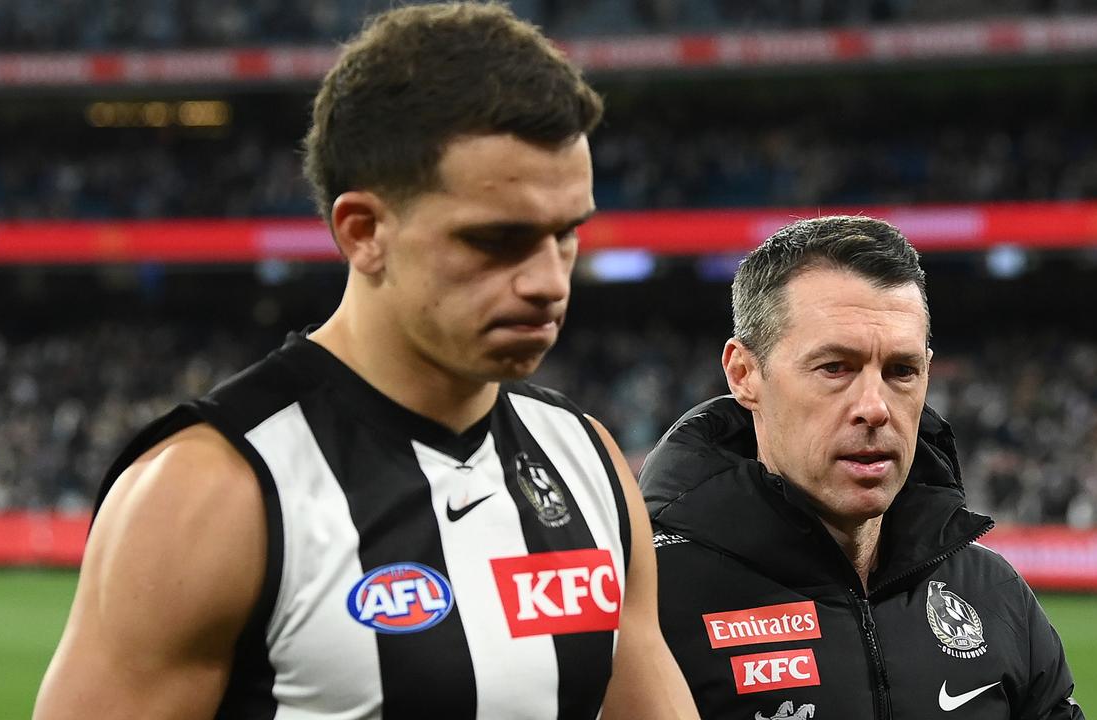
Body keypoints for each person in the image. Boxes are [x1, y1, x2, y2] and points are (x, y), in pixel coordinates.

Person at [34, 4, 697, 719]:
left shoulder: (587, 462)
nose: (548, 280)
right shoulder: (210, 491)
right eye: (496, 240)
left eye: (566, 234)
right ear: (364, 231)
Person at [640, 216, 1084, 720]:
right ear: (744, 374)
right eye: (835, 367)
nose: (874, 407)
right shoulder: (651, 602)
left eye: (901, 371)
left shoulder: (993, 594)